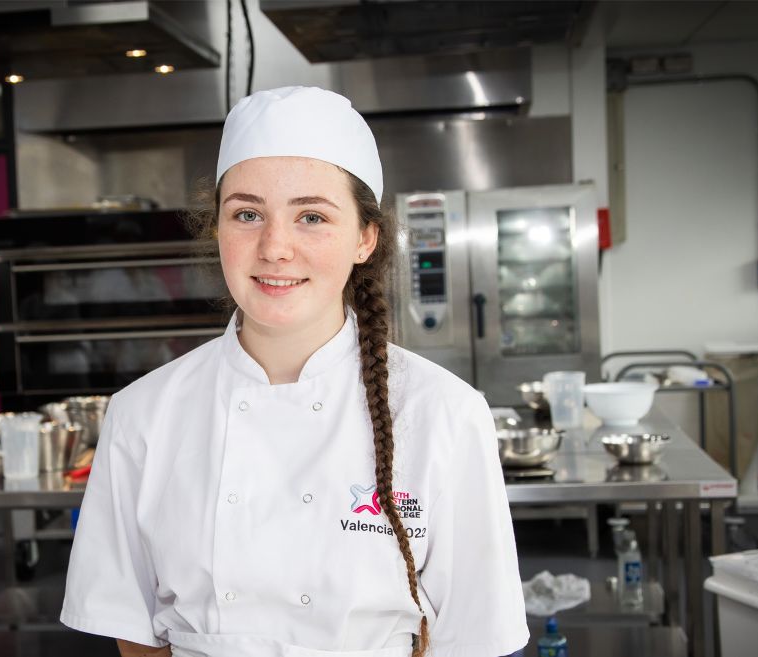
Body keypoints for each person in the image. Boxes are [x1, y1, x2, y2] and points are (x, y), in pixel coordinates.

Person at [60, 87, 527, 657]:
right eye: (248, 214)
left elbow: (472, 640)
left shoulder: (444, 412)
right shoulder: (143, 413)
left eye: (311, 216)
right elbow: (134, 634)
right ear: (217, 229)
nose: (275, 247)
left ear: (365, 238)